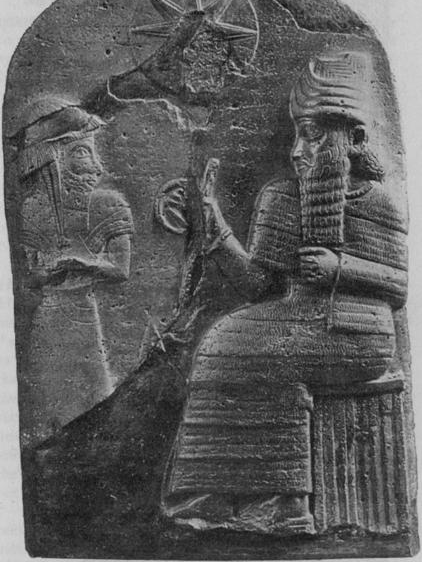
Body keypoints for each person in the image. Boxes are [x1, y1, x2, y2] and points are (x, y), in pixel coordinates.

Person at [161, 50, 408, 535]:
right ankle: (223, 493)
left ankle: (283, 503)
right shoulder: (280, 197)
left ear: (355, 140)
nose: (299, 150)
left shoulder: (379, 203)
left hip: (359, 332)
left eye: (313, 135)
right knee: (222, 342)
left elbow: (398, 286)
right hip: (295, 316)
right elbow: (257, 284)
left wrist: (340, 268)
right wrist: (214, 225)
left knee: (242, 346)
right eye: (298, 135)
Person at [16, 98, 133, 448]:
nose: (96, 166)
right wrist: (50, 272)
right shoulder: (33, 208)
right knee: (47, 417)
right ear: (53, 160)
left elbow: (121, 269)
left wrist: (83, 264)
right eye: (82, 153)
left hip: (84, 313)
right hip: (49, 319)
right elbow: (31, 277)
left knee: (95, 405)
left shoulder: (108, 204)